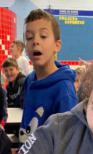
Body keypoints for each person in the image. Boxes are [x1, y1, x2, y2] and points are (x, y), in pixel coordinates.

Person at [19, 9, 77, 143]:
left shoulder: (64, 90)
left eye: (43, 36)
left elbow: (67, 141)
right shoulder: (29, 80)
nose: (35, 41)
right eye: (29, 37)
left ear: (57, 46)